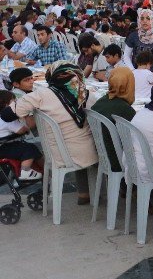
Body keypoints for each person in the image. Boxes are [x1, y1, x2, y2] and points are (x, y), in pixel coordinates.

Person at [14, 63, 96, 204]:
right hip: (83, 153)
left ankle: (84, 194)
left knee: (80, 142)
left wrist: (30, 117)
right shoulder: (84, 94)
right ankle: (107, 191)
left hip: (54, 152)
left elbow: (15, 111)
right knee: (97, 143)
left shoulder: (41, 94)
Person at [0, 90, 43, 180]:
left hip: (5, 145)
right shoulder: (7, 118)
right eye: (13, 101)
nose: (16, 103)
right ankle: (25, 171)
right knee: (29, 148)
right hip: (5, 146)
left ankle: (44, 169)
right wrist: (26, 123)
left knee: (31, 149)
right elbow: (21, 130)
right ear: (6, 105)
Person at [125, 8, 153, 72]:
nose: (145, 21)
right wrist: (133, 70)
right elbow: (126, 56)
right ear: (139, 20)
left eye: (148, 18)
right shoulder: (133, 36)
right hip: (137, 75)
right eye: (142, 18)